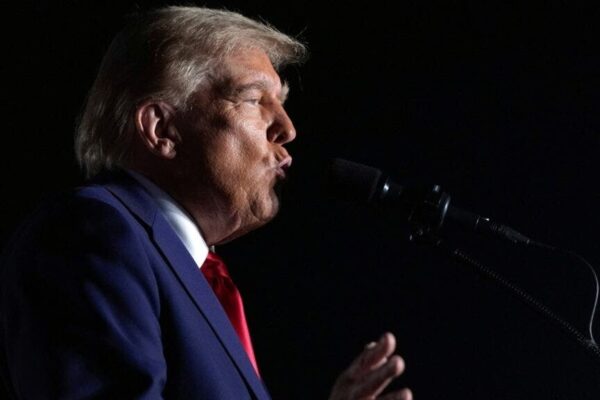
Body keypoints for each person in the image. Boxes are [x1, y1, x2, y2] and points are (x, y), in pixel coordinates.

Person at [0, 6, 412, 399]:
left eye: (282, 103)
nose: (287, 129)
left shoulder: (192, 271)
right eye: (254, 99)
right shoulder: (90, 235)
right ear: (162, 129)